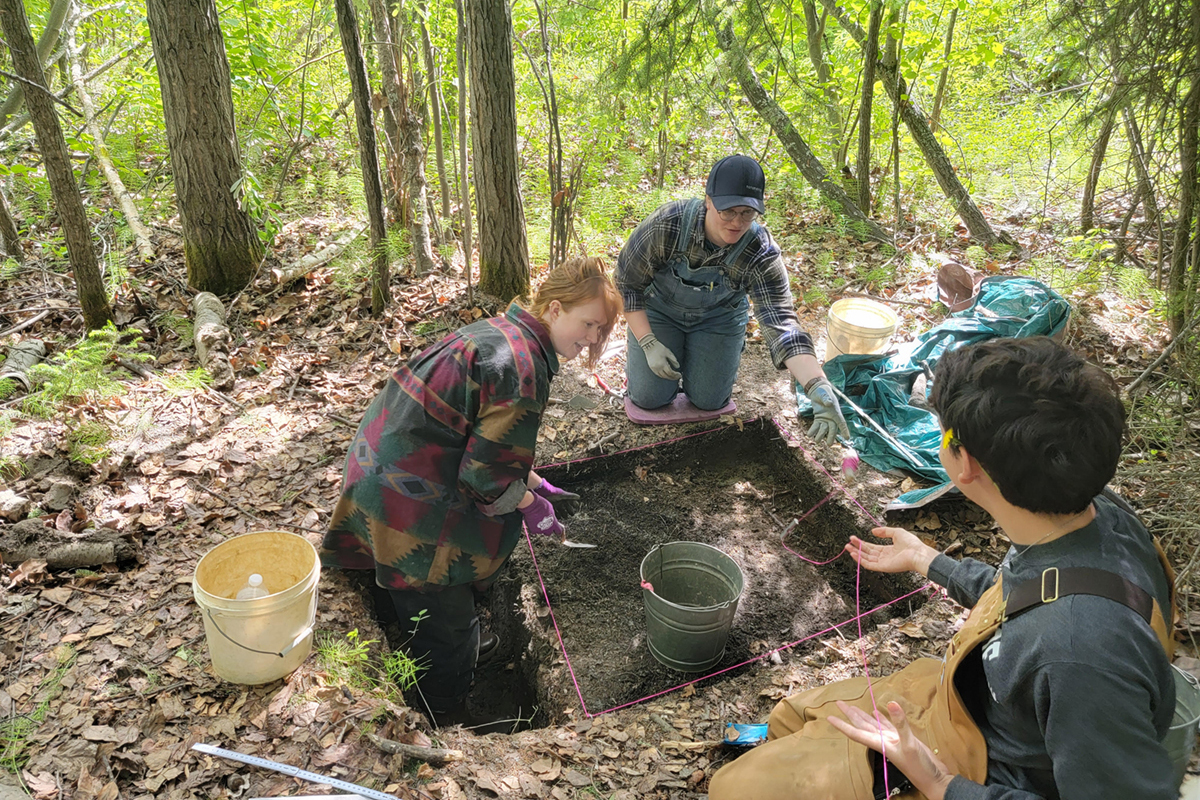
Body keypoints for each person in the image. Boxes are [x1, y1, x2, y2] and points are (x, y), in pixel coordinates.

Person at [708, 337, 1178, 800]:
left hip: (973, 769)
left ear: (965, 462)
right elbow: (1032, 595)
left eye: (943, 430)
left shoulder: (1082, 657)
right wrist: (927, 560)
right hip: (963, 701)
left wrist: (937, 781)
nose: (940, 437)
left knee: (730, 790)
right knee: (792, 715)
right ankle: (785, 748)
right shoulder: (1090, 511)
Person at [320, 257, 622, 728]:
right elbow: (485, 477)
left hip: (378, 465)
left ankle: (414, 626)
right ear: (556, 308)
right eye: (588, 324)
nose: (589, 339)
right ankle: (445, 710)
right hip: (405, 499)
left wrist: (535, 480)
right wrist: (529, 504)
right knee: (448, 623)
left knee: (423, 599)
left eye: (598, 330)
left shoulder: (503, 332)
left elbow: (476, 432)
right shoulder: (523, 368)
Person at [615, 154, 847, 445]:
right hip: (660, 311)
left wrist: (816, 384)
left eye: (747, 213)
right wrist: (647, 342)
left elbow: (781, 322)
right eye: (728, 211)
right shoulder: (667, 225)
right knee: (649, 398)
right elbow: (627, 283)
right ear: (709, 200)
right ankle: (651, 362)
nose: (737, 222)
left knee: (710, 400)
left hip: (719, 319)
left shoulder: (760, 251)